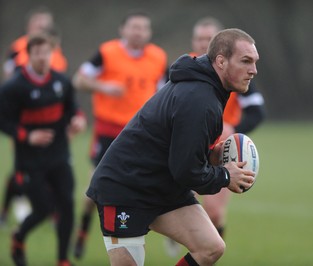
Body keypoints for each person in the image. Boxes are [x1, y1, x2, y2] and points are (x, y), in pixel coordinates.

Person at [86, 28, 259, 266]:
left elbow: (177, 151)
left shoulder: (207, 91)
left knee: (210, 247)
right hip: (125, 188)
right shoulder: (200, 99)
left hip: (161, 185)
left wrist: (211, 156)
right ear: (220, 61)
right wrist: (226, 176)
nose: (253, 70)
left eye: (255, 62)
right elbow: (186, 171)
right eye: (246, 61)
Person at [165, 17, 266, 257]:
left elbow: (257, 111)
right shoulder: (184, 69)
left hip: (221, 150)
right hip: (187, 146)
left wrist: (234, 127)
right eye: (199, 38)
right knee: (172, 204)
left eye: (208, 39)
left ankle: (207, 255)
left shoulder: (237, 71)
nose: (203, 43)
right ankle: (178, 235)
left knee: (215, 213)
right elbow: (162, 105)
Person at [72, 10, 167, 259]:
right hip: (109, 132)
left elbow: (166, 92)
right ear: (122, 30)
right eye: (134, 27)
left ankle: (136, 237)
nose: (138, 32)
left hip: (142, 133)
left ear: (149, 33)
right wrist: (102, 86)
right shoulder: (107, 52)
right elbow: (78, 80)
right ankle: (82, 232)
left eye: (143, 28)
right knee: (94, 188)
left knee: (150, 185)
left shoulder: (158, 57)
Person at [0, 34, 86, 266]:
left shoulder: (60, 81)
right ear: (29, 54)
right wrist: (27, 135)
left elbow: (72, 108)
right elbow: (3, 120)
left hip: (59, 156)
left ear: (52, 54)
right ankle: (19, 238)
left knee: (67, 205)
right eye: (37, 53)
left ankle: (62, 260)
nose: (42, 58)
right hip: (29, 161)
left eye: (46, 52)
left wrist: (78, 119)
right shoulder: (14, 87)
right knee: (44, 209)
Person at [0, 6, 68, 226]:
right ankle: (12, 206)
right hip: (24, 118)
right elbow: (10, 79)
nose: (43, 28)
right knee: (23, 167)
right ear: (30, 26)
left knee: (54, 166)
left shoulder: (57, 53)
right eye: (39, 24)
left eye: (46, 24)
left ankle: (51, 210)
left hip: (49, 121)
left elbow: (60, 84)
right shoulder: (18, 48)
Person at [3, 6, 67, 80]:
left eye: (44, 28)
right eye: (38, 26)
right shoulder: (18, 46)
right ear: (29, 26)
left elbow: (61, 71)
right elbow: (8, 70)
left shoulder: (55, 48)